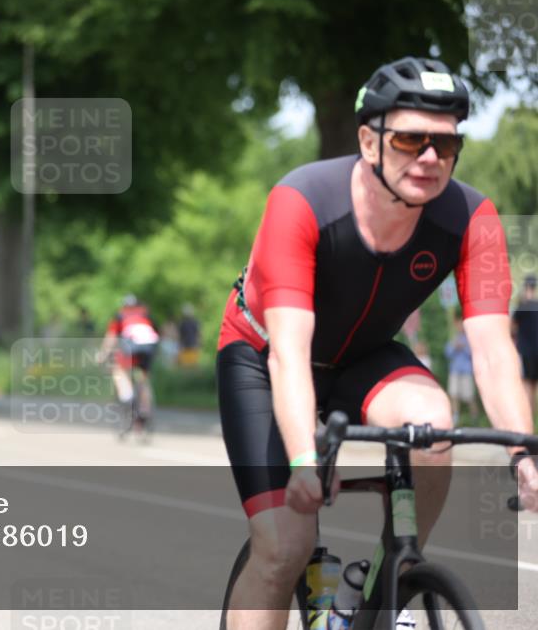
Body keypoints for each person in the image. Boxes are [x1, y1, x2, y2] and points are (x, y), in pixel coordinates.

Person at [216, 57, 538, 629]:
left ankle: (393, 575)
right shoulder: (302, 199)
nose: (431, 158)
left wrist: (524, 452)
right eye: (412, 139)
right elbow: (290, 350)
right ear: (370, 141)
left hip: (362, 354)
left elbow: (492, 348)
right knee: (283, 548)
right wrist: (303, 460)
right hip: (266, 357)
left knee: (433, 423)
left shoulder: (473, 218)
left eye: (446, 143)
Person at [98, 294, 160, 437]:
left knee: (118, 370)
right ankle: (145, 409)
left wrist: (102, 355)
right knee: (144, 379)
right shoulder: (145, 314)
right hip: (150, 346)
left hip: (133, 346)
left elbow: (111, 337)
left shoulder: (120, 316)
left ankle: (127, 396)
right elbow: (156, 333)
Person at [445, 313, 478, 425]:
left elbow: (473, 354)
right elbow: (447, 353)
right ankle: (455, 418)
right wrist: (455, 347)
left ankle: (474, 419)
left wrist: (463, 348)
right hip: (454, 370)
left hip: (466, 371)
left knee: (469, 396)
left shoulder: (470, 338)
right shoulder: (454, 337)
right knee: (454, 394)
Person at [512, 275, 538, 415]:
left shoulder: (521, 307)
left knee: (527, 386)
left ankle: (529, 418)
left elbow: (512, 328)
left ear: (525, 287)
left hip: (526, 352)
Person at [177, 303, 201, 367]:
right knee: (188, 365)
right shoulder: (194, 322)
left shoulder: (183, 322)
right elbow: (199, 334)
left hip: (189, 345)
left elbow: (198, 334)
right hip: (188, 345)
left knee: (189, 365)